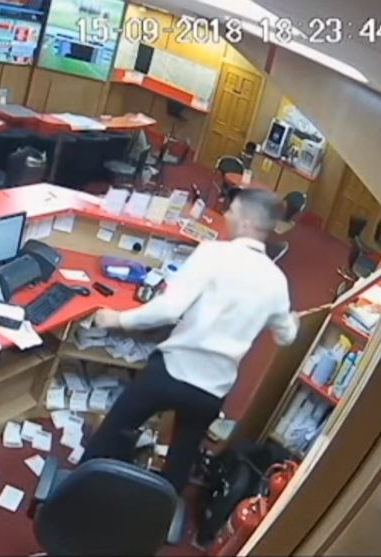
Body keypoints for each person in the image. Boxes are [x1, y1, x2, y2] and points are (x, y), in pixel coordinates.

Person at [82, 188, 300, 494]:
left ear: (249, 222)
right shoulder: (278, 282)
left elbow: (170, 308)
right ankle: (156, 520)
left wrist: (118, 319)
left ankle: (79, 494)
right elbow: (287, 337)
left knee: (114, 430)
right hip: (212, 390)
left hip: (171, 371)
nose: (226, 215)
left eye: (232, 211)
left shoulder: (214, 253)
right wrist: (292, 321)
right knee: (181, 458)